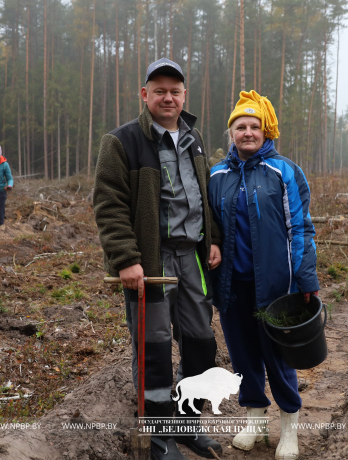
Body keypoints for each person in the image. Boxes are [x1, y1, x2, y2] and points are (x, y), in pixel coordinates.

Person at [93, 58, 222, 460]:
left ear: (185, 96)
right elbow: (108, 205)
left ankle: (186, 423)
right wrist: (126, 258)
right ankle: (160, 436)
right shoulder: (122, 142)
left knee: (201, 344)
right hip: (151, 262)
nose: (168, 97)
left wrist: (212, 239)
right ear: (144, 95)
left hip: (193, 259)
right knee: (154, 347)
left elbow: (204, 195)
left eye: (175, 91)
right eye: (159, 90)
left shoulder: (194, 139)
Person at [208, 90, 319, 460]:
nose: (248, 132)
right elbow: (209, 228)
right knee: (242, 357)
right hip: (231, 285)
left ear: (265, 131)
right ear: (231, 133)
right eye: (241, 126)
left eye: (255, 126)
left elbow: (301, 229)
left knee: (278, 358)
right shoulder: (217, 175)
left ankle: (289, 429)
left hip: (276, 286)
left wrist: (305, 281)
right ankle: (255, 420)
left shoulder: (284, 171)